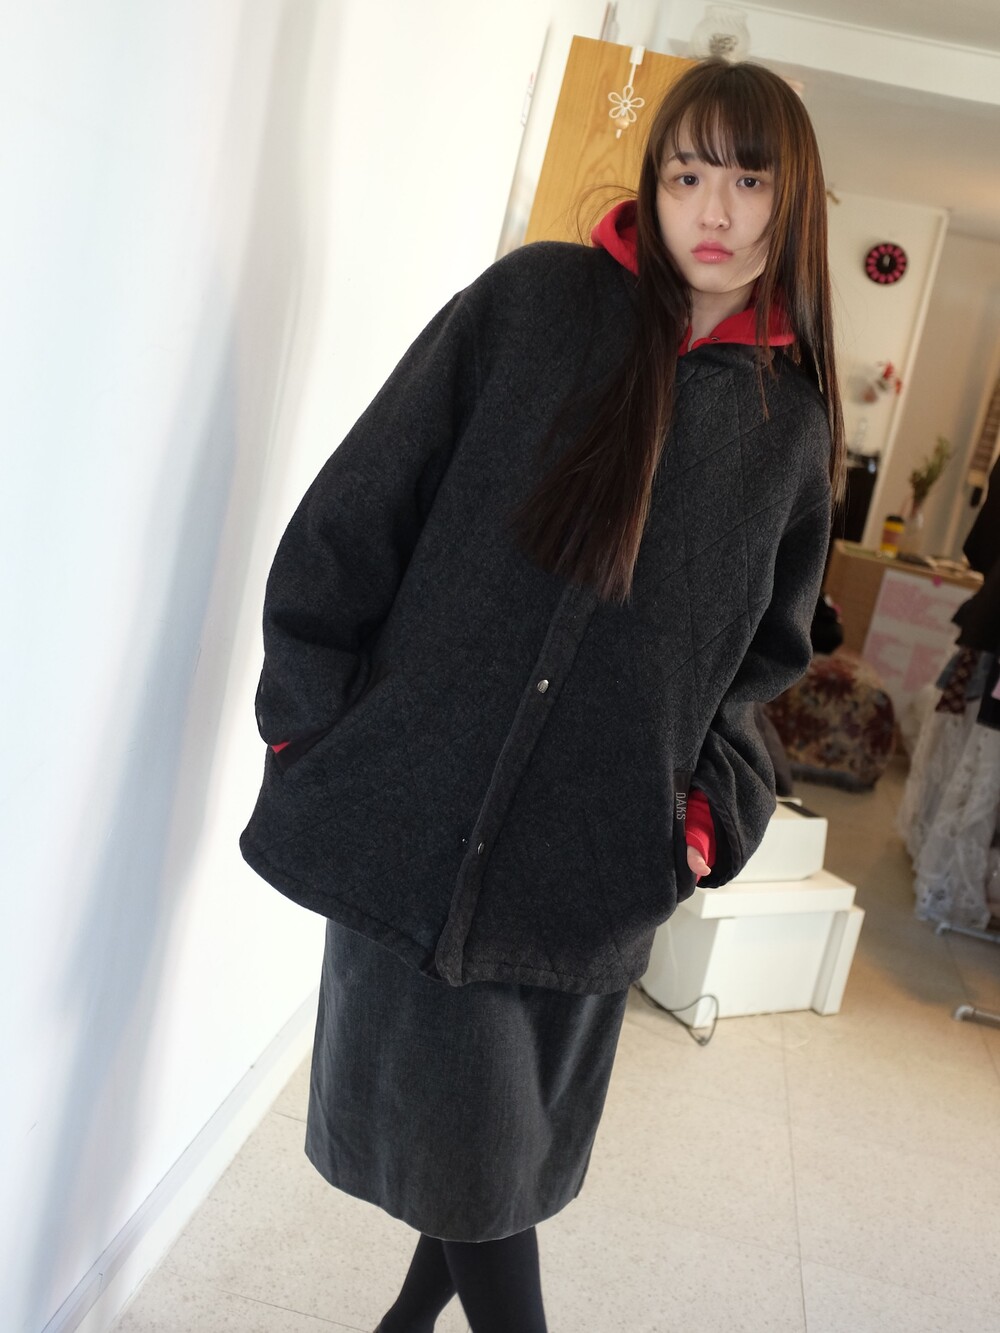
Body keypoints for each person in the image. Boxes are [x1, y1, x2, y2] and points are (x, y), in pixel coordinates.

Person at [241, 57, 843, 1333]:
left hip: (591, 855)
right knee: (479, 1148)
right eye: (686, 174)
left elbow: (764, 667)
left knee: (494, 1151)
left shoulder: (788, 432)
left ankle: (402, 1324)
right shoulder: (532, 305)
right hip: (421, 806)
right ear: (652, 183)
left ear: (793, 202)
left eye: (747, 181)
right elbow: (359, 507)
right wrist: (306, 716)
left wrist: (701, 822)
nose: (713, 210)